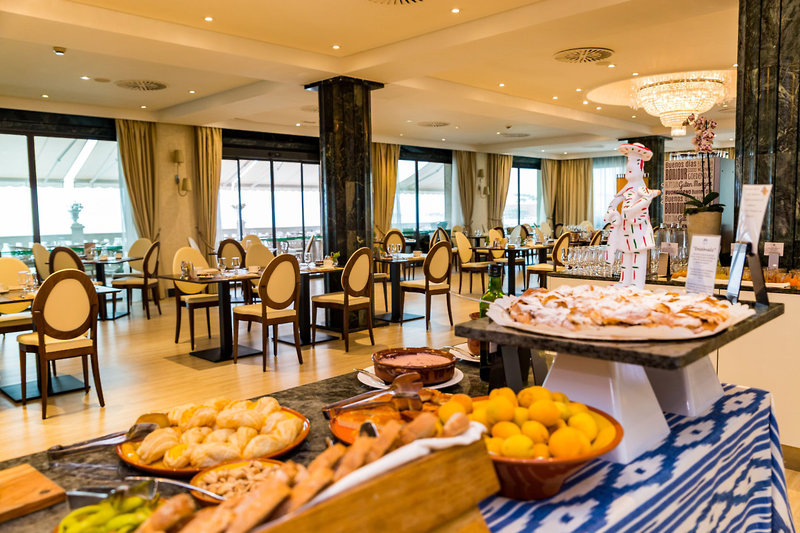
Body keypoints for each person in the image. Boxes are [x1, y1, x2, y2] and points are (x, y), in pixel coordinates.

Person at [604, 142, 661, 288]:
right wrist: (612, 213)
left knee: (638, 255)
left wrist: (632, 210)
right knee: (626, 255)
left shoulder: (643, 190)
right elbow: (612, 205)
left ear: (641, 167)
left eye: (635, 162)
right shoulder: (625, 190)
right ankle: (624, 281)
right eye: (629, 161)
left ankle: (636, 284)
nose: (629, 167)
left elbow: (646, 201)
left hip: (639, 229)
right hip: (625, 229)